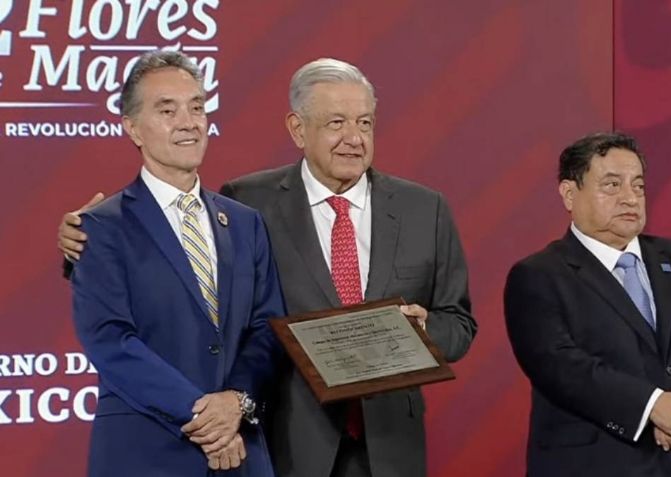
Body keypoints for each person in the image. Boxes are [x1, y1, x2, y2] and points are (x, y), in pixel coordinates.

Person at [60, 57, 477, 477]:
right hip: (286, 445)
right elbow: (135, 307)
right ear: (298, 129)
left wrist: (422, 333)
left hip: (389, 447)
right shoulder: (250, 202)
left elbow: (458, 322)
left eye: (364, 123)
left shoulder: (426, 210)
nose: (354, 137)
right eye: (336, 123)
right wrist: (78, 244)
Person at [69, 50, 284, 476]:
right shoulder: (101, 227)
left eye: (197, 107)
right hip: (146, 452)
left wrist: (235, 402)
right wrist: (206, 418)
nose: (188, 122)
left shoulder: (244, 222)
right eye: (167, 110)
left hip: (241, 453)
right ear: (132, 128)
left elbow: (268, 327)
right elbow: (111, 341)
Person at [503, 132, 671, 476]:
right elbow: (559, 365)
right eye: (612, 185)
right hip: (598, 462)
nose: (630, 198)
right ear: (569, 194)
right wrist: (652, 407)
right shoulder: (539, 275)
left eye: (638, 186)